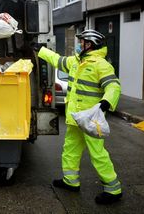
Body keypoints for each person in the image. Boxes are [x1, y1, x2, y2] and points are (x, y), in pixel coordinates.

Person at [36, 29, 122, 204]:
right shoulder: (76, 62)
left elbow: (113, 86)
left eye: (82, 42)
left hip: (90, 120)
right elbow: (57, 60)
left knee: (98, 154)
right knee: (70, 150)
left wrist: (106, 102)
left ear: (90, 44)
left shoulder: (101, 65)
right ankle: (71, 181)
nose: (79, 44)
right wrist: (40, 50)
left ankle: (113, 189)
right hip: (75, 118)